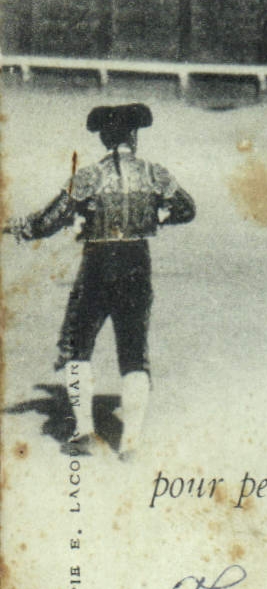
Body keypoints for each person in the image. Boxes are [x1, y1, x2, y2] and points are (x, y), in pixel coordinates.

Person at [4, 103, 196, 457]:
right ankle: (131, 444)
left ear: (105, 138)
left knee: (79, 348)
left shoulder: (89, 177)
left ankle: (85, 433)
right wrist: (157, 217)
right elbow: (187, 208)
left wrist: (14, 227)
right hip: (137, 262)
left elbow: (46, 221)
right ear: (134, 137)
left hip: (98, 264)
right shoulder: (154, 174)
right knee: (134, 352)